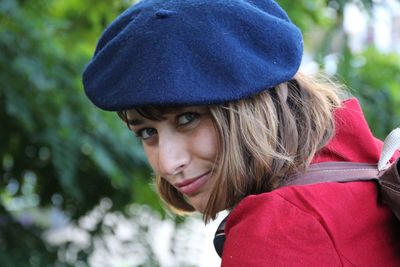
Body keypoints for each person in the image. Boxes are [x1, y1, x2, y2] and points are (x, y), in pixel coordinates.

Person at [82, 0, 400, 265]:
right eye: (147, 131)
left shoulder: (281, 232)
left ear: (252, 110)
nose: (167, 164)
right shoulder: (366, 164)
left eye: (188, 118)